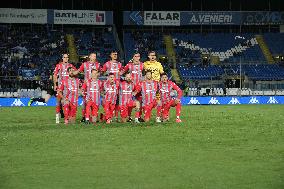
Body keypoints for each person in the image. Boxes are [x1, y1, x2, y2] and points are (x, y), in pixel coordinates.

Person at [73, 52, 101, 123]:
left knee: (95, 102)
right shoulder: (84, 64)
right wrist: (72, 73)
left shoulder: (98, 65)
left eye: (95, 56)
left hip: (94, 85)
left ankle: (94, 116)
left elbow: (101, 72)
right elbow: (78, 71)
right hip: (87, 86)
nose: (94, 57)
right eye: (93, 56)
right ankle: (84, 117)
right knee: (86, 103)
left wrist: (97, 75)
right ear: (90, 57)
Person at [122, 52, 144, 122]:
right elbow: (123, 72)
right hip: (131, 86)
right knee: (129, 101)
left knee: (140, 102)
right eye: (135, 56)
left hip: (139, 87)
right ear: (133, 57)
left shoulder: (142, 65)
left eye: (138, 56)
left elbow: (147, 73)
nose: (137, 58)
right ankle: (129, 116)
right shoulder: (129, 65)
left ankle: (139, 116)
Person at [101, 50, 123, 121]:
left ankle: (115, 117)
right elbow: (102, 71)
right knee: (108, 102)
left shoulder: (119, 64)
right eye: (113, 54)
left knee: (117, 102)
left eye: (116, 54)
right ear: (110, 55)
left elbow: (122, 72)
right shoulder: (107, 64)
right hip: (109, 86)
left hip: (117, 85)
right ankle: (106, 116)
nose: (115, 55)